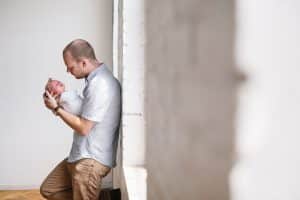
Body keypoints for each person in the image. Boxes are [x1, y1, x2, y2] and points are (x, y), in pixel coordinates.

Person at [40, 39, 121, 200]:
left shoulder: (101, 85)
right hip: (79, 155)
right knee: (49, 189)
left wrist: (57, 109)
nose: (68, 71)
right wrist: (59, 105)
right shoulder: (92, 82)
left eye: (70, 67)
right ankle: (107, 198)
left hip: (90, 160)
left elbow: (84, 128)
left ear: (83, 62)